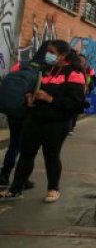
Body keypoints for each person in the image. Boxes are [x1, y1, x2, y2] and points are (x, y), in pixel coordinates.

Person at [0, 40, 86, 202]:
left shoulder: (74, 74)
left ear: (62, 55)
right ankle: (15, 189)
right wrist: (29, 95)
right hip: (35, 118)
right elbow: (34, 87)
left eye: (52, 52)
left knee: (51, 155)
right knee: (26, 154)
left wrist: (50, 98)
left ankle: (53, 188)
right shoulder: (45, 70)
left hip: (57, 122)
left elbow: (76, 103)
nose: (48, 55)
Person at [0, 43, 50, 189]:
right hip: (28, 113)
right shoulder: (45, 71)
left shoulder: (21, 64)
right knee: (27, 148)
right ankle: (22, 179)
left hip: (13, 111)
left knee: (14, 143)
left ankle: (4, 174)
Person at [70, 53, 96, 134]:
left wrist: (88, 81)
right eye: (78, 60)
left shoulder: (89, 70)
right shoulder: (72, 69)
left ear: (85, 62)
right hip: (72, 93)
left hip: (82, 93)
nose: (80, 62)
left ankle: (71, 127)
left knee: (75, 111)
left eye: (81, 61)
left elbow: (94, 83)